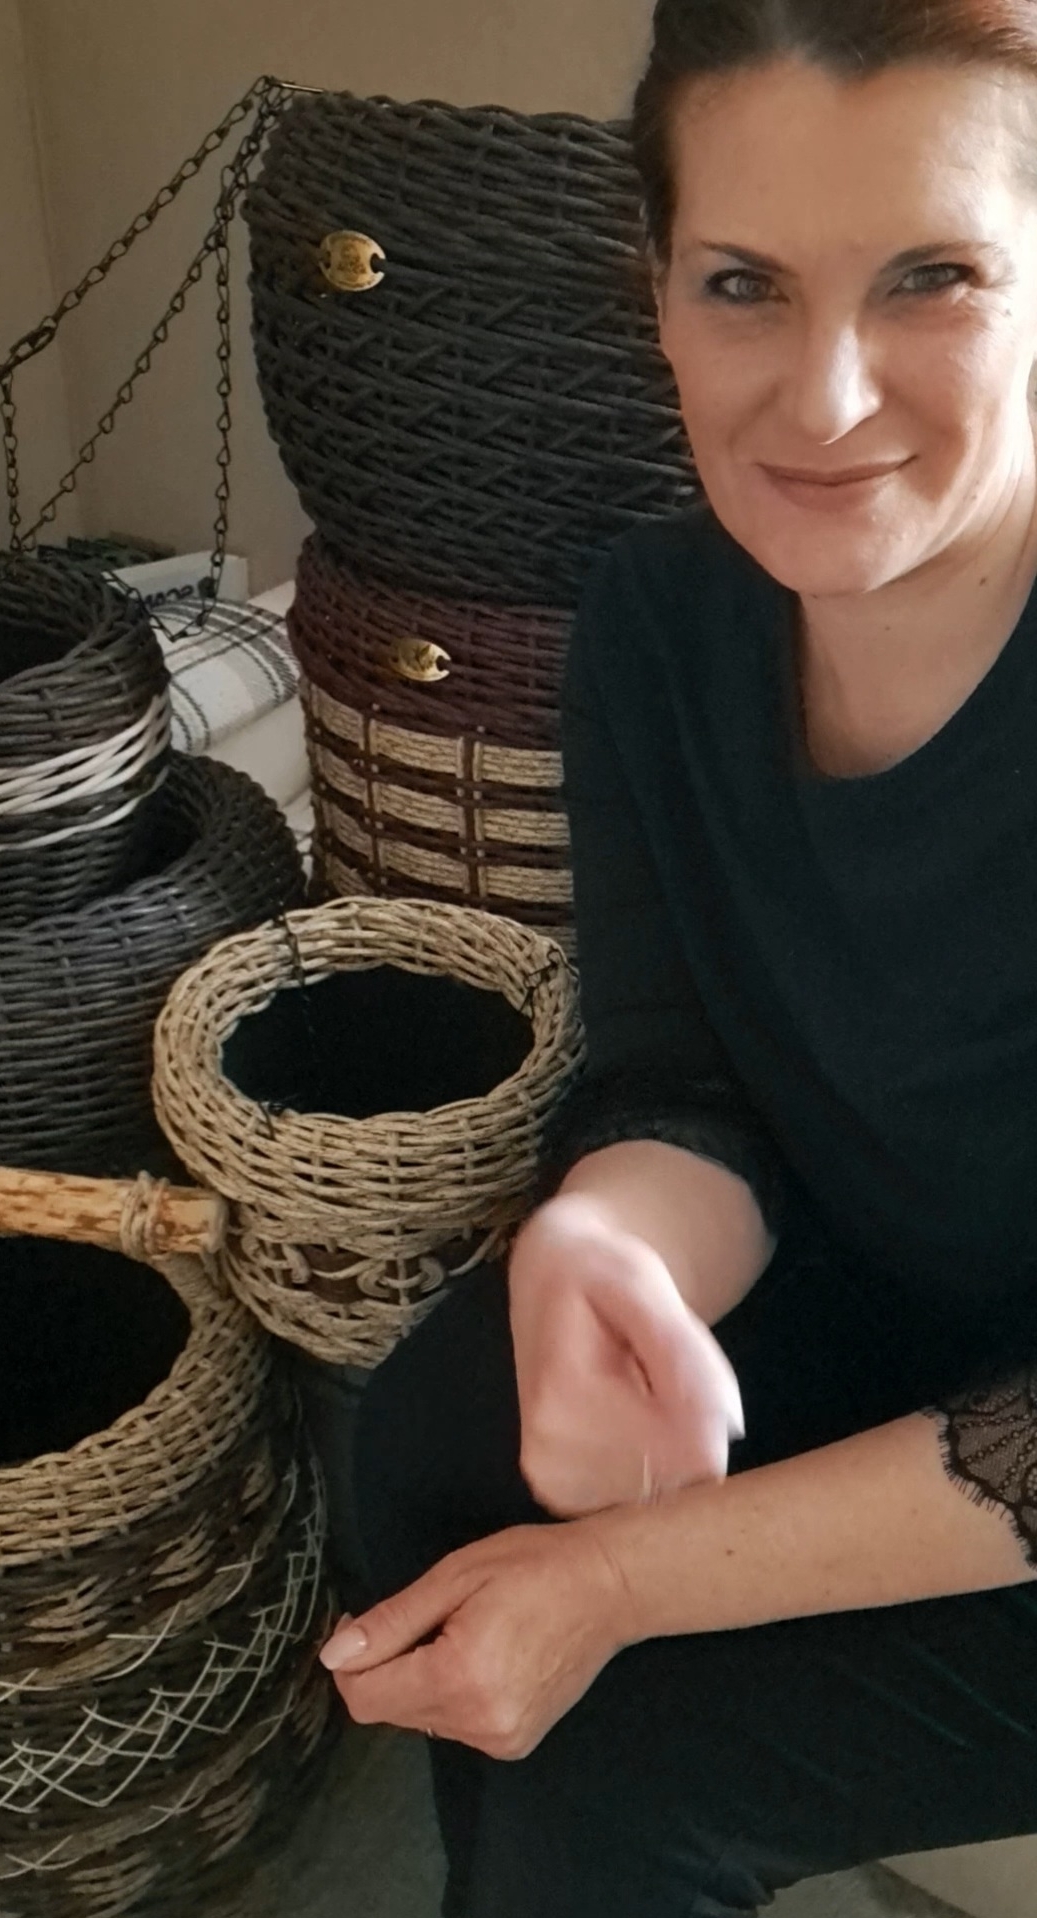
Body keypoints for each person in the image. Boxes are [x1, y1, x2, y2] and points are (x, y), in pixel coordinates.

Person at [319, 4, 1037, 1912]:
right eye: (743, 285)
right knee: (430, 1440)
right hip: (888, 1289)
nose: (825, 400)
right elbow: (679, 1068)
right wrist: (614, 1239)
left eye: (933, 278)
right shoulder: (655, 623)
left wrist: (626, 1580)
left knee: (625, 1772)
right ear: (656, 292)